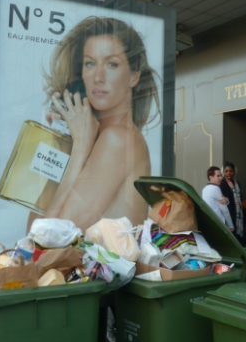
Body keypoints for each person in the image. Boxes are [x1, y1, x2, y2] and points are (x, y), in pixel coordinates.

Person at [34, 16, 161, 231]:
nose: (98, 77)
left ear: (134, 76)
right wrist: (65, 144)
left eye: (112, 64)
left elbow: (52, 234)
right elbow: (33, 229)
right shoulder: (98, 138)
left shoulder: (117, 139)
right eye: (90, 63)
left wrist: (80, 148)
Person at [201, 166, 234, 231]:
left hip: (209, 222)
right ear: (211, 177)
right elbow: (224, 209)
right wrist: (231, 225)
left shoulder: (205, 189)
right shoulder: (215, 188)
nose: (221, 178)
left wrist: (226, 200)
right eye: (218, 176)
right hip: (218, 223)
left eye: (221, 175)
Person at [220, 161, 244, 241]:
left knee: (238, 236)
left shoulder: (237, 183)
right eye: (226, 171)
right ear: (223, 172)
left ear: (234, 172)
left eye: (231, 171)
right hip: (228, 214)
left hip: (238, 214)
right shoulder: (222, 183)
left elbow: (241, 198)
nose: (228, 173)